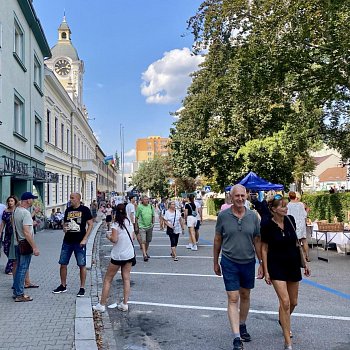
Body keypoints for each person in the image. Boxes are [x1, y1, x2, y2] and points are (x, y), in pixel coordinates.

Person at [213, 184, 263, 350]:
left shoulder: (253, 217)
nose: (240, 199)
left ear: (247, 195)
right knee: (233, 298)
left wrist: (262, 263)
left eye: (243, 195)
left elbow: (257, 240)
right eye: (237, 196)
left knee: (245, 295)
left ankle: (242, 324)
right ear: (231, 197)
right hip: (229, 261)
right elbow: (218, 239)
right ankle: (236, 338)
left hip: (248, 262)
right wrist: (215, 261)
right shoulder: (223, 216)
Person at [261, 195, 311, 350]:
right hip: (276, 266)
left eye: (285, 205)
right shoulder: (267, 225)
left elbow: (296, 242)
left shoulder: (290, 220)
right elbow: (264, 248)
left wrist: (304, 262)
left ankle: (283, 319)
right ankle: (287, 342)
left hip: (292, 264)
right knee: (285, 302)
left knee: (293, 302)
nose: (286, 208)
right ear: (274, 209)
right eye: (282, 206)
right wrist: (266, 269)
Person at [93, 204, 134, 312]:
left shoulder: (115, 224)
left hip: (118, 255)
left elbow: (114, 239)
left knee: (108, 279)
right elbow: (133, 237)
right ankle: (125, 303)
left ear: (115, 212)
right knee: (126, 278)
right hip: (129, 254)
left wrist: (108, 236)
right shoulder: (129, 222)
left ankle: (101, 305)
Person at [53, 193, 93, 297]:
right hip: (67, 241)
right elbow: (65, 224)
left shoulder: (85, 210)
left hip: (79, 242)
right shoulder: (68, 210)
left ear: (78, 199)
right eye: (70, 198)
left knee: (81, 264)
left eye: (72, 198)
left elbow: (91, 224)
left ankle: (82, 287)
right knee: (63, 263)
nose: (70, 200)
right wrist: (64, 228)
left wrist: (85, 239)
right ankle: (63, 285)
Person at [13, 192, 40, 302]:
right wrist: (34, 247)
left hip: (17, 243)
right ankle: (19, 294)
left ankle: (16, 292)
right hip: (25, 244)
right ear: (28, 200)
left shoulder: (16, 211)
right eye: (32, 199)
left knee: (19, 268)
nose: (33, 201)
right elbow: (26, 232)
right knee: (23, 269)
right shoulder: (25, 213)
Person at [287, 192, 309, 262]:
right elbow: (305, 214)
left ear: (289, 197)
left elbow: (287, 215)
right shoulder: (301, 204)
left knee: (296, 242)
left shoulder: (288, 205)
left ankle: (298, 257)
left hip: (294, 224)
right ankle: (307, 256)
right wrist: (307, 211)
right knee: (304, 240)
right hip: (302, 223)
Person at [0, 196, 18, 274]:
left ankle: (10, 268)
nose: (10, 202)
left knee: (13, 250)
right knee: (6, 249)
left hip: (15, 234)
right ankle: (12, 264)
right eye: (9, 201)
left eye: (12, 201)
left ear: (15, 202)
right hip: (8, 233)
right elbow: (3, 223)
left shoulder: (17, 211)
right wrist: (0, 232)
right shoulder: (6, 211)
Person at [135, 195, 155, 262]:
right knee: (143, 241)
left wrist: (153, 223)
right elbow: (136, 217)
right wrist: (136, 226)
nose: (146, 200)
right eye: (145, 199)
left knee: (148, 240)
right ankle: (144, 255)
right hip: (142, 226)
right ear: (142, 200)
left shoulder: (151, 206)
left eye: (147, 199)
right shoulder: (139, 207)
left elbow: (153, 215)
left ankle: (145, 252)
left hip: (149, 226)